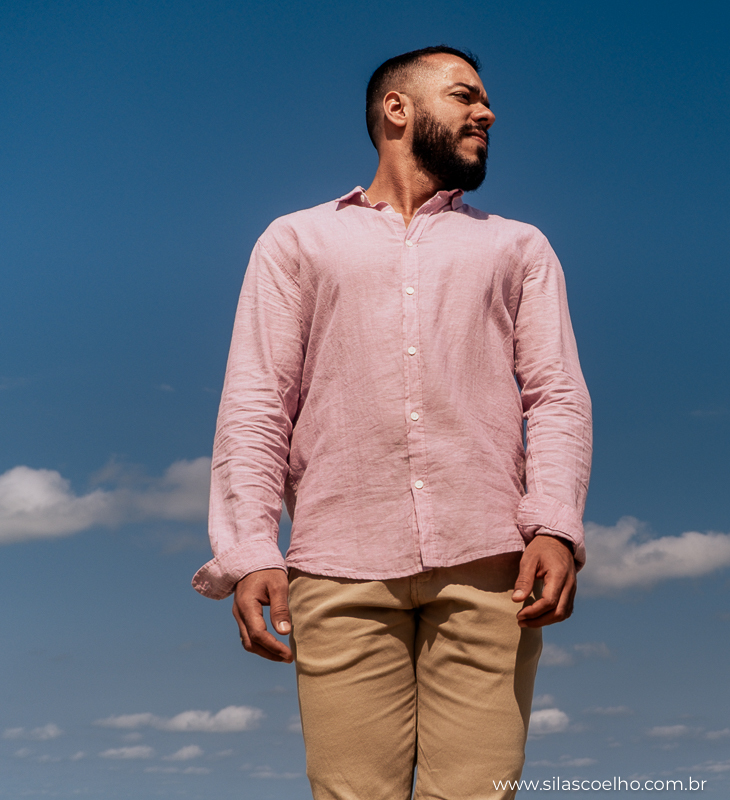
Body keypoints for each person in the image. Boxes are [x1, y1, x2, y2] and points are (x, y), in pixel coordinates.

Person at [190, 46, 592, 800]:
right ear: (396, 111)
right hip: (337, 567)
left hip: (491, 572)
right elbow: (255, 403)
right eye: (466, 96)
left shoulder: (518, 247)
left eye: (486, 102)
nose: (488, 113)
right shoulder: (295, 242)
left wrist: (556, 524)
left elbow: (557, 395)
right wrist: (249, 551)